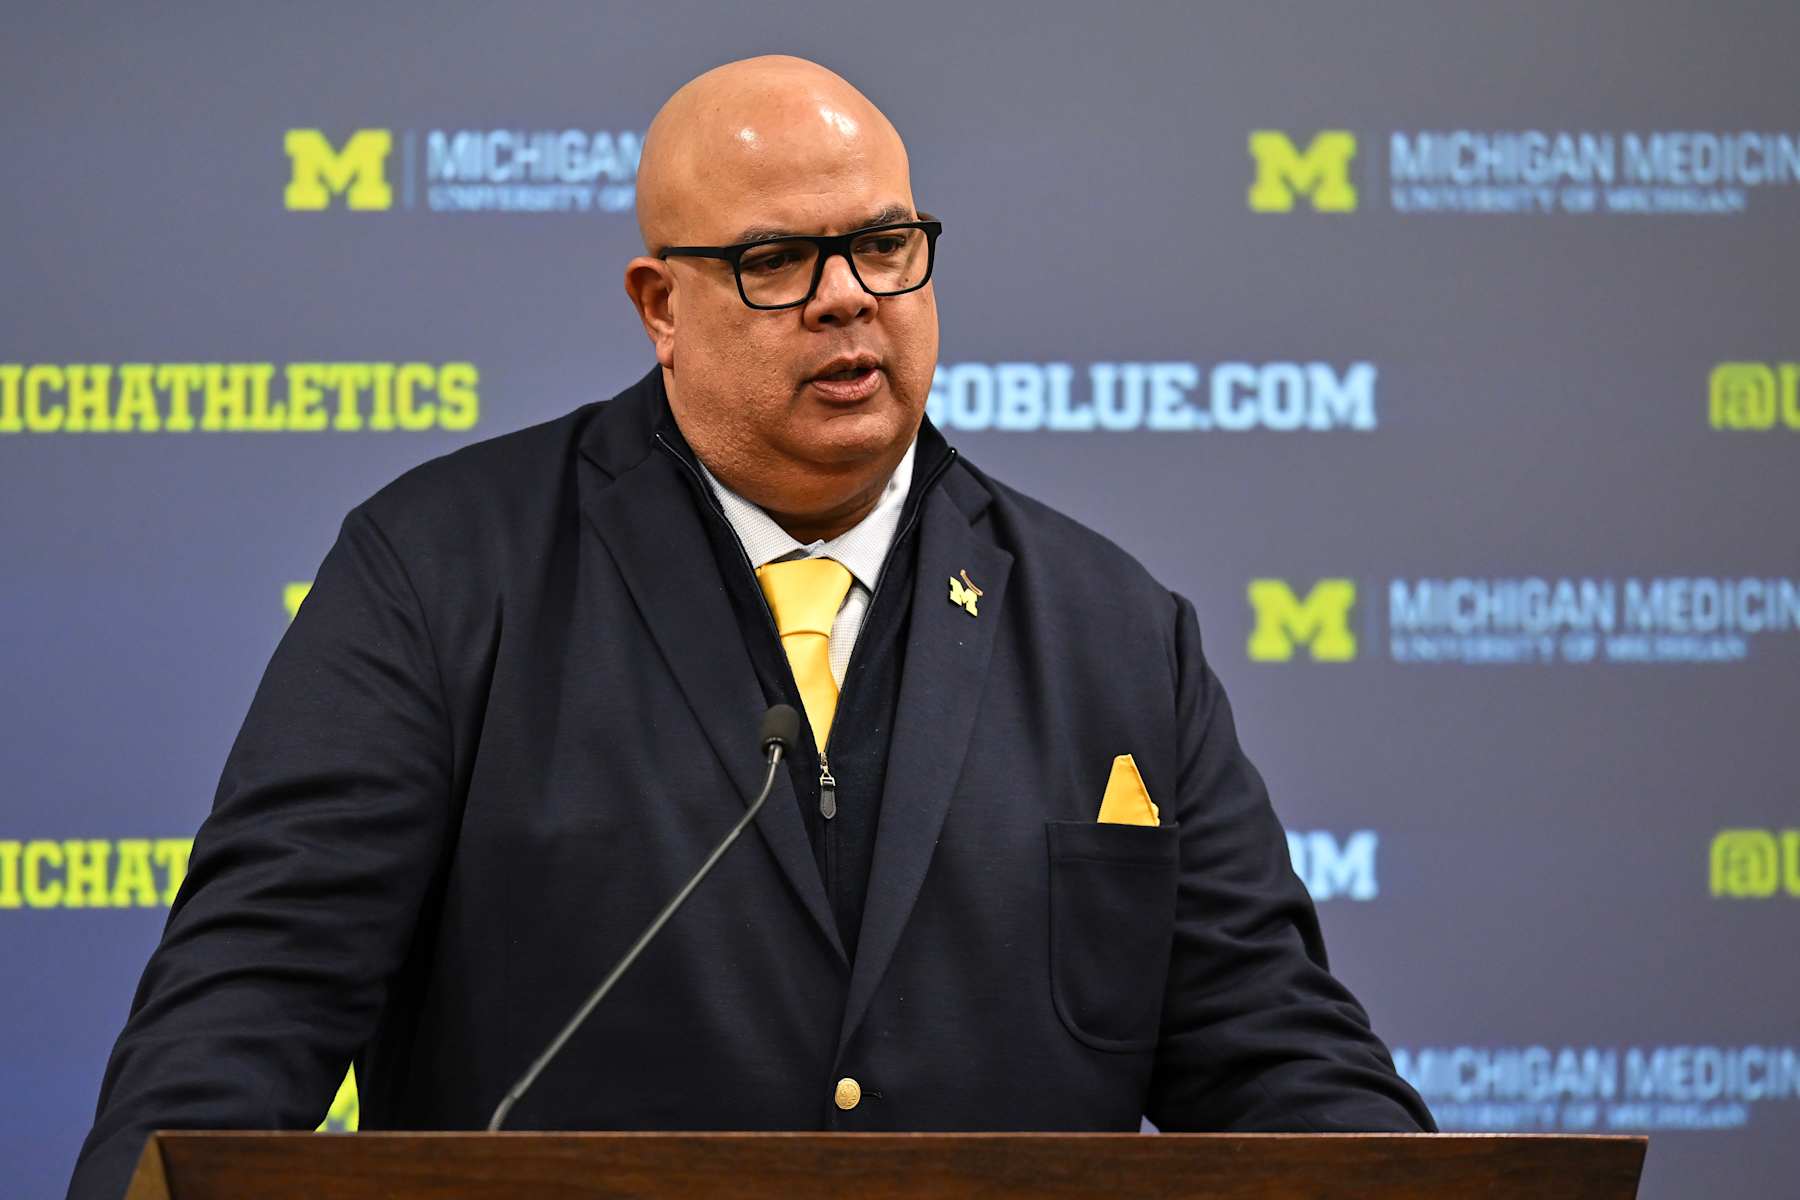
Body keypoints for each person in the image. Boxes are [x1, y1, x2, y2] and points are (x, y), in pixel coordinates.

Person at [69, 54, 1431, 1199]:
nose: (848, 297)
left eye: (885, 246)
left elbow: (1277, 1056)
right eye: (776, 260)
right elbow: (251, 1002)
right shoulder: (442, 572)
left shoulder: (1113, 630)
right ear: (661, 307)